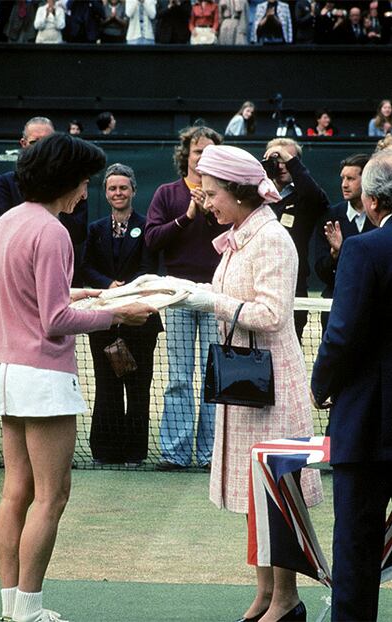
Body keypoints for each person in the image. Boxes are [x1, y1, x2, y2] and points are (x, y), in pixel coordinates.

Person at [0, 133, 156, 622]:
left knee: (16, 491)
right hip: (42, 378)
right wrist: (120, 315)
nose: (87, 191)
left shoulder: (6, 223)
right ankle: (31, 611)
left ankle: (12, 609)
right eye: (84, 181)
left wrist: (82, 295)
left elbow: (33, 297)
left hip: (4, 373)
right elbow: (54, 320)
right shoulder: (53, 231)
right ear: (65, 179)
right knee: (51, 497)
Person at [170, 144, 322, 622]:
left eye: (212, 193)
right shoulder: (241, 234)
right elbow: (233, 297)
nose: (206, 201)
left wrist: (206, 301)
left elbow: (273, 314)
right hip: (246, 386)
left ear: (237, 192)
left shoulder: (273, 238)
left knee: (278, 496)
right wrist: (192, 292)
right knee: (260, 497)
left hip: (272, 387)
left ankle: (287, 600)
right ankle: (264, 596)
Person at [311, 148, 392, 622]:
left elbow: (341, 335)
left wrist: (319, 386)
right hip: (370, 421)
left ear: (372, 203)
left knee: (357, 548)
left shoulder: (363, 249)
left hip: (368, 426)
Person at [145, 125, 226, 470]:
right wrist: (188, 216)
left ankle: (211, 454)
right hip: (177, 294)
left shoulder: (224, 195)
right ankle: (174, 453)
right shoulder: (167, 193)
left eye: (209, 151)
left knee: (213, 376)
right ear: (186, 155)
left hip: (215, 295)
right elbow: (152, 239)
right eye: (197, 151)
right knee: (178, 377)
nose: (202, 157)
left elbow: (233, 237)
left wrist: (209, 214)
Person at [81, 163, 164, 466]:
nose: (118, 193)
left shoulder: (148, 227)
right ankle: (106, 451)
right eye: (112, 188)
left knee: (139, 387)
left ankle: (134, 453)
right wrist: (109, 286)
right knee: (107, 385)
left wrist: (127, 289)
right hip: (103, 322)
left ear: (133, 191)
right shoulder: (95, 229)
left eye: (123, 188)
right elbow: (86, 266)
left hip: (141, 322)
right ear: (105, 193)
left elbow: (149, 267)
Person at [0, 116, 88, 287]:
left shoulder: (74, 184)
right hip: (21, 281)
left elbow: (79, 232)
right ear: (23, 144)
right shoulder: (7, 183)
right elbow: (4, 233)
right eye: (34, 142)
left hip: (63, 280)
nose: (41, 149)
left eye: (47, 142)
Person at [262, 137, 329, 342]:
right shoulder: (258, 195)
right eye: (276, 159)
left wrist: (290, 160)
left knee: (291, 344)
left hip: (293, 281)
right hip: (260, 280)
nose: (281, 165)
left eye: (286, 159)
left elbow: (317, 198)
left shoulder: (305, 197)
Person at [315, 153, 374, 334]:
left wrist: (345, 250)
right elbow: (321, 270)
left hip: (373, 306)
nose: (344, 184)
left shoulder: (381, 217)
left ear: (366, 181)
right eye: (342, 178)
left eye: (350, 179)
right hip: (337, 306)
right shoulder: (330, 216)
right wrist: (335, 254)